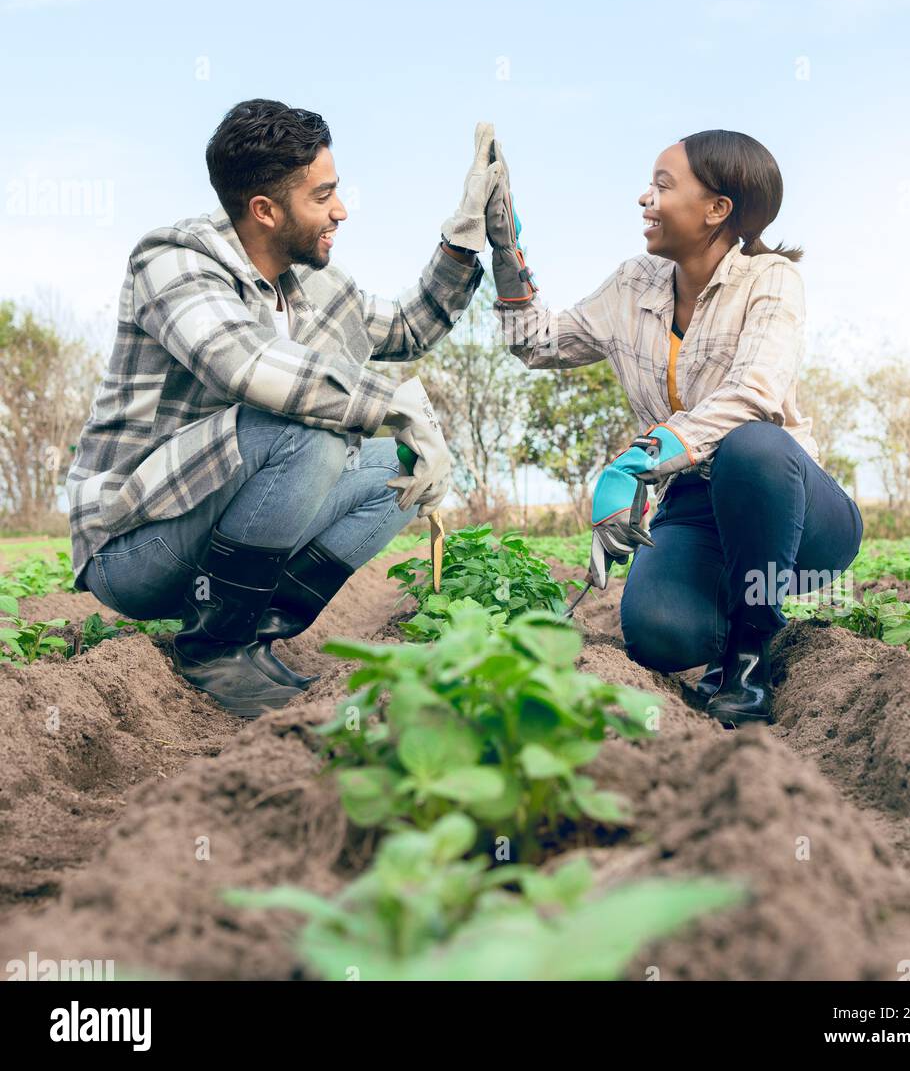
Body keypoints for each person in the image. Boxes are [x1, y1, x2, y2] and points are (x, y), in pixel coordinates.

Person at [68, 102, 500, 719]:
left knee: (391, 468)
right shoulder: (172, 260)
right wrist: (390, 403)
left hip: (217, 529)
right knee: (311, 429)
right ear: (265, 211)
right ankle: (211, 648)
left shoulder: (312, 283)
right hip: (134, 543)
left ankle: (251, 634)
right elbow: (244, 365)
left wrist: (462, 241)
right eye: (323, 197)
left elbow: (408, 327)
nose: (341, 211)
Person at [485, 127, 863, 725]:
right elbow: (533, 343)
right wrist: (507, 254)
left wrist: (638, 459)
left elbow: (754, 395)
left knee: (753, 447)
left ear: (717, 210)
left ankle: (747, 660)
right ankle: (723, 623)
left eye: (663, 186)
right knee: (657, 635)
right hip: (695, 502)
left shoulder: (769, 279)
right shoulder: (634, 283)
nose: (646, 199)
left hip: (789, 500)